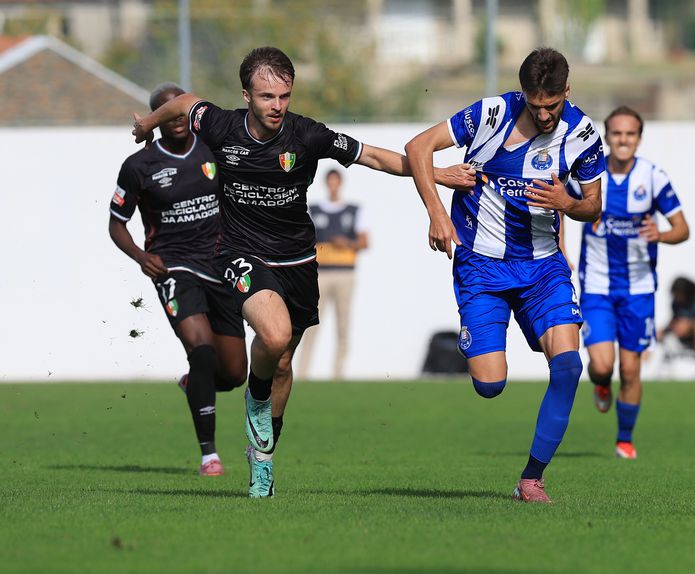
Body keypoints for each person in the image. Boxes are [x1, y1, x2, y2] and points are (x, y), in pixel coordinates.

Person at [131, 47, 475, 497]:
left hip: (298, 262)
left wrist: (437, 172)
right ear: (246, 95)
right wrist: (147, 125)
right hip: (239, 253)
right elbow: (180, 102)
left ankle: (264, 455)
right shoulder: (219, 124)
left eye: (285, 96)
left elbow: (372, 156)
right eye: (267, 96)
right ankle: (255, 407)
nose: (277, 105)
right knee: (273, 337)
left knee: (285, 363)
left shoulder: (307, 135)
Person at [405, 47, 604, 503]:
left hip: (543, 268)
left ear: (566, 93)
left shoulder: (583, 134)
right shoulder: (490, 114)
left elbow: (593, 204)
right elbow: (417, 148)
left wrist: (568, 204)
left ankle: (531, 479)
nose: (544, 114)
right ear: (524, 94)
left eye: (552, 105)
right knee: (490, 384)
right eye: (536, 105)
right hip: (481, 266)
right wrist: (438, 213)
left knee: (570, 366)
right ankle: (479, 330)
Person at [109, 82, 248, 477]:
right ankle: (209, 455)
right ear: (156, 119)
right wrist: (141, 256)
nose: (174, 119)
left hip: (220, 265)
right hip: (173, 267)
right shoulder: (139, 166)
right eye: (163, 113)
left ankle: (195, 383)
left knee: (235, 373)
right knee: (201, 350)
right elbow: (116, 225)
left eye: (178, 111)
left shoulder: (213, 150)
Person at [573, 105, 689, 459]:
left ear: (638, 138)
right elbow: (558, 205)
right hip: (597, 285)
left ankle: (624, 439)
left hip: (639, 289)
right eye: (617, 134)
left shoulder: (653, 177)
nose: (623, 140)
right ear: (607, 137)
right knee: (604, 366)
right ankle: (601, 385)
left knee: (632, 369)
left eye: (630, 134)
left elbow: (682, 228)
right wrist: (559, 248)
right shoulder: (589, 174)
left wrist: (662, 234)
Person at [297, 169, 368, 380]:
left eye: (336, 181)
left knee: (343, 324)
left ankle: (338, 373)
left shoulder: (354, 210)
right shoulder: (315, 210)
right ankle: (302, 372)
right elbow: (303, 238)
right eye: (330, 182)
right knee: (311, 323)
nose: (333, 185)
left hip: (345, 273)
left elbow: (364, 242)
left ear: (341, 183)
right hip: (320, 273)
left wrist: (347, 243)